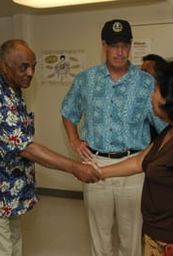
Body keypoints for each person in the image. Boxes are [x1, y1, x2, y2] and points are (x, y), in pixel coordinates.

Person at [0, 39, 101, 256]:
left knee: (13, 247)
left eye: (33, 66)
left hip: (9, 191)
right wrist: (74, 167)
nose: (30, 72)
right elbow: (25, 147)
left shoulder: (13, 91)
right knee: (0, 251)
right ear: (4, 66)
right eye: (23, 67)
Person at [61, 19, 166, 256]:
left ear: (130, 46)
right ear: (104, 46)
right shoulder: (86, 80)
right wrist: (75, 141)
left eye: (124, 45)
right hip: (96, 167)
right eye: (113, 45)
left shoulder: (146, 83)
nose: (119, 51)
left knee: (131, 239)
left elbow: (164, 127)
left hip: (133, 167)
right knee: (100, 238)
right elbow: (68, 112)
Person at [97, 61, 173, 256]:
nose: (150, 95)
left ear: (170, 99)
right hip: (158, 237)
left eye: (155, 89)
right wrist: (98, 172)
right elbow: (139, 161)